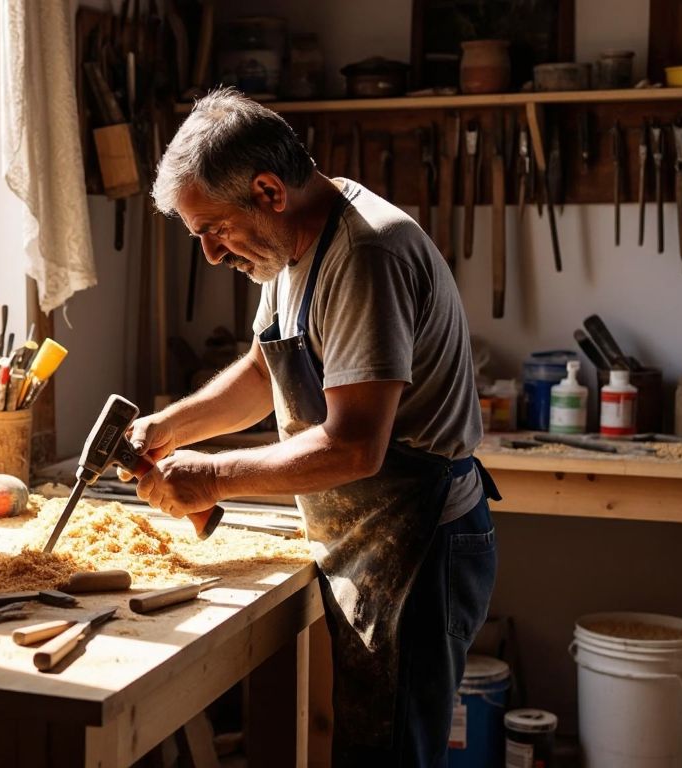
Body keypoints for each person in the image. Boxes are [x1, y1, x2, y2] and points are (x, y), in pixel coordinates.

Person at [127, 88, 500, 766]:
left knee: (387, 754)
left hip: (418, 539)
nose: (212, 255)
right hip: (363, 531)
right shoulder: (290, 243)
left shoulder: (366, 254)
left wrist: (212, 476)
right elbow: (265, 368)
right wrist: (173, 426)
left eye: (214, 230)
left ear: (268, 190)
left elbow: (355, 445)